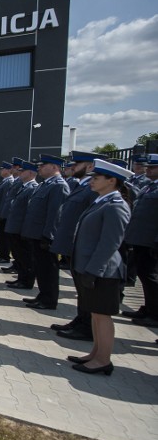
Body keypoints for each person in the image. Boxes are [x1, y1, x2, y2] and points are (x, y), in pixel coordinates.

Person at [67, 159, 134, 375]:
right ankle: (95, 353)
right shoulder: (102, 201)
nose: (91, 181)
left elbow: (110, 244)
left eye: (96, 178)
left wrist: (93, 270)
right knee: (96, 314)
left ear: (112, 180)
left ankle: (103, 359)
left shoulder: (116, 206)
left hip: (103, 271)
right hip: (91, 268)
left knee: (103, 315)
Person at [49, 151, 105, 341]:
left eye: (78, 164)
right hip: (76, 246)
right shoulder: (82, 187)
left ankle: (86, 326)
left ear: (90, 166)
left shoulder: (93, 192)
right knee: (80, 289)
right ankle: (81, 320)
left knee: (86, 291)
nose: (72, 167)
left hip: (85, 247)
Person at [21, 154, 70, 311]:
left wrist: (48, 236)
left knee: (48, 269)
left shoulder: (59, 185)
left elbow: (55, 214)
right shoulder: (45, 184)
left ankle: (49, 299)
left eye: (43, 166)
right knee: (41, 268)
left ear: (55, 167)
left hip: (45, 236)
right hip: (36, 234)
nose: (39, 168)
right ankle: (42, 295)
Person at [120, 153, 158, 326]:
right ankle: (148, 308)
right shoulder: (150, 187)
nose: (147, 169)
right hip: (141, 239)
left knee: (151, 276)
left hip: (151, 241)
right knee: (144, 275)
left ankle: (155, 314)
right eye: (148, 166)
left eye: (152, 167)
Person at [3, 160, 39, 293]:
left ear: (30, 173)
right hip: (16, 227)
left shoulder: (32, 187)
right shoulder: (24, 186)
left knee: (25, 256)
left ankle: (26, 280)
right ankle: (21, 278)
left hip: (21, 228)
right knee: (19, 255)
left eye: (22, 171)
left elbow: (29, 211)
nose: (19, 173)